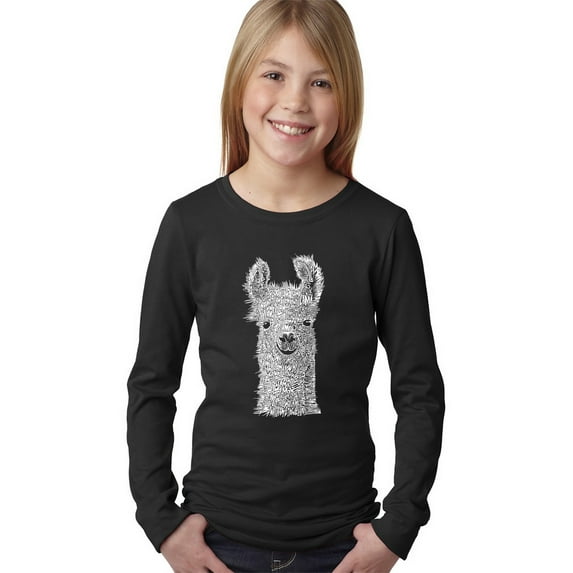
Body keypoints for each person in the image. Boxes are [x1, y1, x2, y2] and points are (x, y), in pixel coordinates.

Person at [126, 0, 446, 571]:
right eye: (274, 75)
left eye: (321, 82)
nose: (296, 101)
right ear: (239, 84)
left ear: (347, 96)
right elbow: (152, 382)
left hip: (344, 542)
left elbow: (418, 387)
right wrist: (160, 520)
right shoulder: (190, 225)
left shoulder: (382, 229)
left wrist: (399, 526)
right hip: (218, 539)